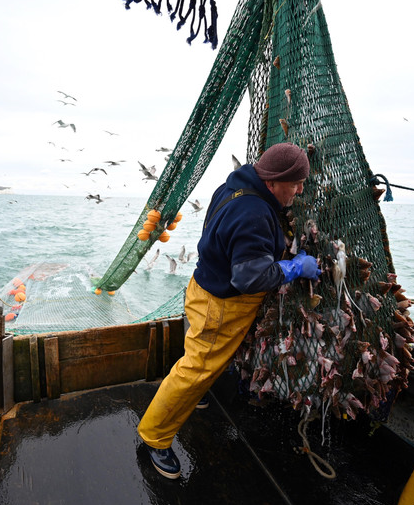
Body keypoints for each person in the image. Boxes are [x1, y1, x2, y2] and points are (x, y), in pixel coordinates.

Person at [137, 142, 322, 479]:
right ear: (272, 181)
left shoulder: (233, 186)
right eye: (294, 184)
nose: (299, 190)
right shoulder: (253, 214)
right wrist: (294, 268)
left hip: (203, 287)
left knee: (199, 357)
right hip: (222, 307)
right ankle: (155, 436)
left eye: (302, 182)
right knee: (195, 368)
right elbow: (249, 277)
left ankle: (196, 394)